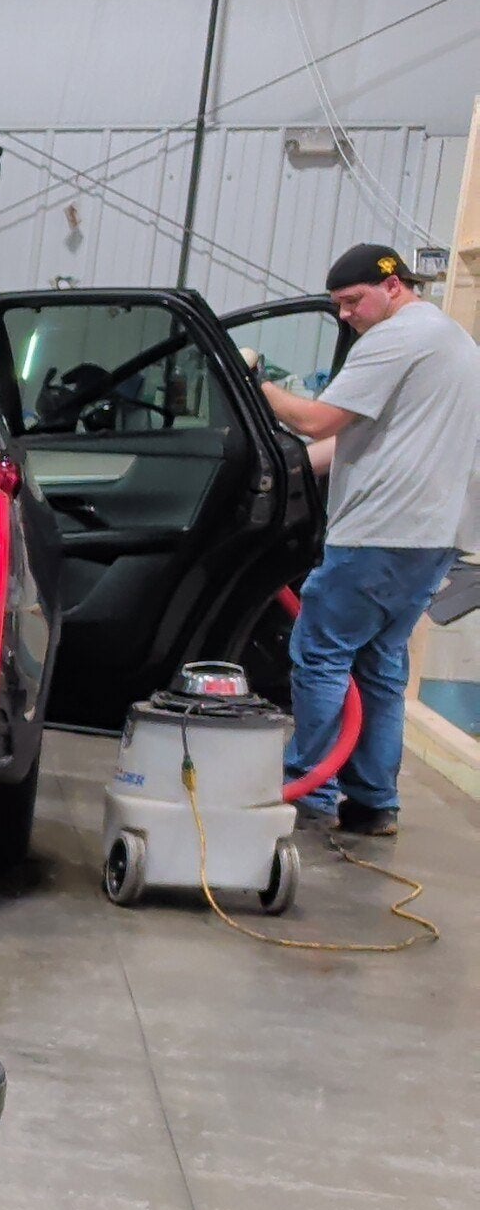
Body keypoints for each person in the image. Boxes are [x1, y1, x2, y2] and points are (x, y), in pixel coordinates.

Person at [254, 242, 480, 841]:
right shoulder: (450, 340)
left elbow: (316, 421)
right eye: (338, 306)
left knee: (321, 655)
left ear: (393, 286)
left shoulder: (395, 338)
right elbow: (353, 440)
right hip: (433, 535)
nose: (346, 315)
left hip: (382, 532)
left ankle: (308, 789)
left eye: (352, 301)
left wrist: (258, 383)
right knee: (379, 665)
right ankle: (373, 802)